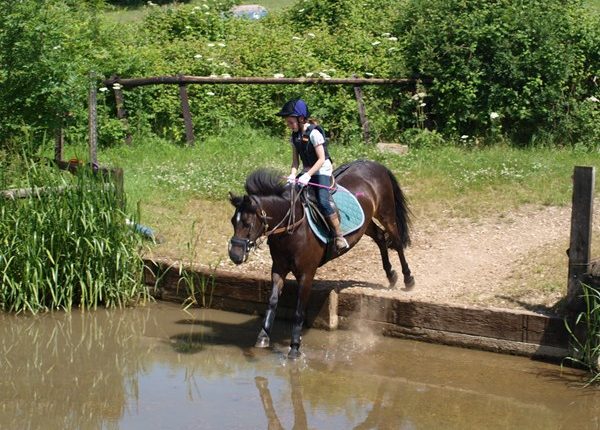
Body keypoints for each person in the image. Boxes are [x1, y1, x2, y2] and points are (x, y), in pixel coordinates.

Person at [276, 98, 349, 251]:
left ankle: (338, 235)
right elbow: (295, 162)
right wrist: (292, 174)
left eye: (290, 122)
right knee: (288, 194)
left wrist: (308, 175)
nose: (288, 125)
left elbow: (322, 159)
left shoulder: (315, 133)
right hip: (307, 169)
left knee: (322, 201)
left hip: (322, 169)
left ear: (301, 119)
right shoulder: (294, 136)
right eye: (287, 122)